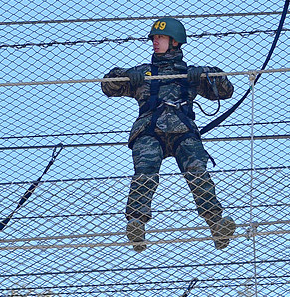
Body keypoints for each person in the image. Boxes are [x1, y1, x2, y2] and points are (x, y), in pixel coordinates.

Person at [102, 16, 237, 252]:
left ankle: (216, 224)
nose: (155, 42)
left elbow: (226, 91)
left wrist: (204, 74)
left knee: (197, 170)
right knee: (146, 171)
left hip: (183, 131)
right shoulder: (144, 72)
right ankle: (136, 224)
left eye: (161, 37)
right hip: (150, 130)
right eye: (154, 38)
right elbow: (107, 86)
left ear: (175, 42)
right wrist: (124, 75)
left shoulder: (189, 74)